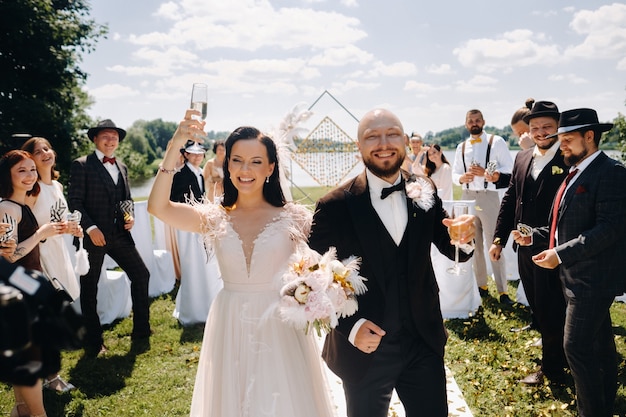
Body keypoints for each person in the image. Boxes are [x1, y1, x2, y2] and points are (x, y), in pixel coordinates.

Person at [147, 110, 336, 416]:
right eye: (236, 160)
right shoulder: (214, 217)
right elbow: (157, 207)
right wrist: (175, 146)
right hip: (229, 320)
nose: (244, 169)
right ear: (227, 164)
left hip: (280, 325)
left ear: (271, 168)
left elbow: (328, 264)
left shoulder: (295, 217)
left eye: (256, 161)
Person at [308, 108, 476, 417]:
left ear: (405, 140)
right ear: (358, 147)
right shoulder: (333, 206)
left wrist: (464, 238)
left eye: (392, 134)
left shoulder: (424, 189)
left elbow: (453, 248)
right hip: (362, 350)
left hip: (422, 342)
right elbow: (310, 282)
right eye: (372, 136)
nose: (384, 143)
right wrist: (351, 326)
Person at [515, 108, 626, 417]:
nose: (560, 145)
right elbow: (560, 226)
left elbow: (609, 229)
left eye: (566, 139)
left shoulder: (612, 172)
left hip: (593, 280)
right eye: (559, 139)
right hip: (574, 277)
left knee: (575, 347)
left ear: (589, 137)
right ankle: (605, 401)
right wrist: (534, 237)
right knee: (601, 346)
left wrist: (560, 255)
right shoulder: (574, 171)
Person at [488, 101, 568, 385]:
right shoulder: (522, 158)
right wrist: (499, 238)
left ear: (558, 128)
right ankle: (558, 355)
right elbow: (510, 199)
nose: (541, 132)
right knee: (537, 304)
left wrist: (541, 236)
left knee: (553, 306)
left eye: (547, 127)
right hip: (524, 249)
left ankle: (554, 369)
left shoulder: (569, 160)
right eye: (535, 128)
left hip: (555, 248)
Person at [68, 119, 151, 356]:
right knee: (89, 288)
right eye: (105, 136)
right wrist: (90, 228)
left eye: (114, 137)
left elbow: (126, 199)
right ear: (95, 139)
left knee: (141, 274)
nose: (110, 140)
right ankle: (94, 342)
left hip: (119, 235)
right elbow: (74, 202)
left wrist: (130, 216)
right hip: (92, 237)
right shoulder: (81, 165)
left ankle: (142, 331)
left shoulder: (122, 167)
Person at [0, 150, 67, 417]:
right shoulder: (7, 208)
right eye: (22, 170)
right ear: (8, 175)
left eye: (31, 169)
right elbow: (9, 256)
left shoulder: (21, 205)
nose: (29, 175)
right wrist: (41, 233)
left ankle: (21, 411)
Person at [21, 137, 83, 393]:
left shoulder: (56, 185)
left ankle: (49, 372)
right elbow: (26, 228)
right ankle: (51, 377)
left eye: (47, 148)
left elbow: (58, 219)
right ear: (30, 159)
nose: (46, 153)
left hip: (59, 253)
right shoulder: (31, 189)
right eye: (38, 151)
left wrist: (72, 229)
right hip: (40, 258)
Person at [452, 109, 514, 304]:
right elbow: (454, 174)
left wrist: (490, 174)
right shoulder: (461, 147)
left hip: (488, 197)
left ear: (483, 121)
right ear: (466, 124)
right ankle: (482, 286)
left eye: (477, 120)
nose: (474, 123)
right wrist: (462, 178)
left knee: (494, 243)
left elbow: (509, 169)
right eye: (470, 121)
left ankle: (503, 291)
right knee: (474, 244)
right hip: (468, 196)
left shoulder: (496, 142)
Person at [169, 140, 222, 326]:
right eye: (194, 153)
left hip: (199, 221)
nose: (198, 156)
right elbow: (173, 198)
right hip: (187, 224)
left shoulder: (198, 172)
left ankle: (206, 299)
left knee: (202, 260)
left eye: (200, 153)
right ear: (186, 155)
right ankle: (193, 306)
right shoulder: (181, 174)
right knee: (191, 261)